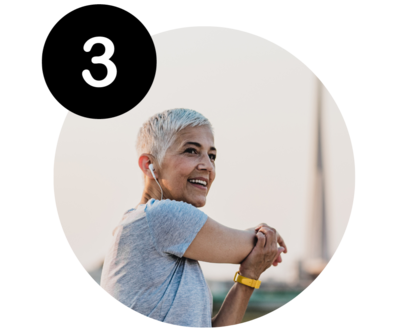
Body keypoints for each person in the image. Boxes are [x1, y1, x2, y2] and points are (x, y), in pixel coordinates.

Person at [100, 108, 287, 329]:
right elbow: (255, 246)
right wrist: (264, 237)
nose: (207, 166)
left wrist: (249, 276)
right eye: (191, 151)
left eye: (212, 156)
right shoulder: (162, 216)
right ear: (148, 166)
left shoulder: (153, 228)